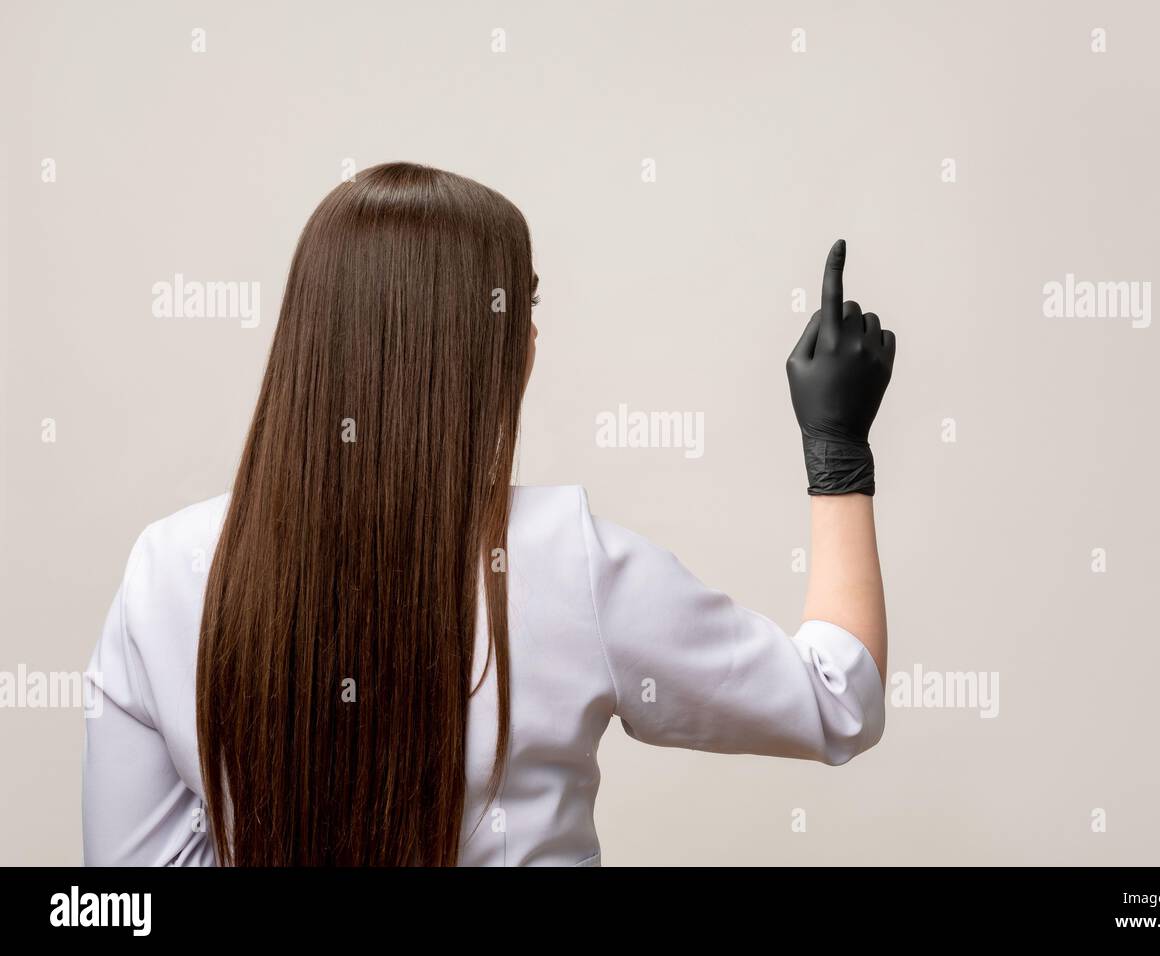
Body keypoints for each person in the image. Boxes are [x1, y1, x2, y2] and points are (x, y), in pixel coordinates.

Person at [81, 162, 896, 866]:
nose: (534, 334)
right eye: (523, 304)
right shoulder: (568, 564)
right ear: (497, 348)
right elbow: (837, 701)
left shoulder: (168, 568)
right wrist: (837, 451)